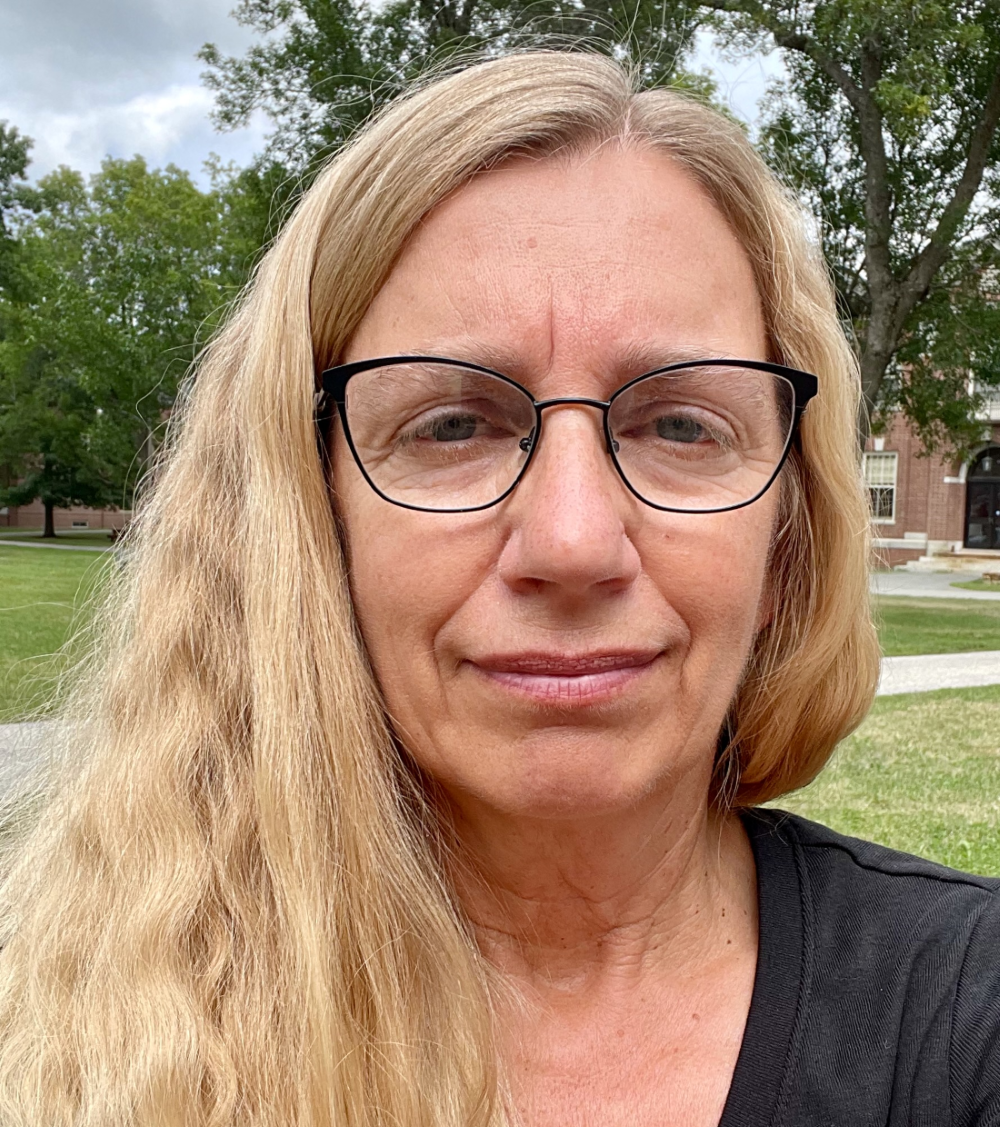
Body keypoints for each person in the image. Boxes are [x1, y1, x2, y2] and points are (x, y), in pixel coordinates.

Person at [0, 50, 996, 1127]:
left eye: (678, 424)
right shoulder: (58, 1019)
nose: (571, 541)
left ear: (785, 541)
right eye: (452, 425)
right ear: (307, 518)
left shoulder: (964, 1015)